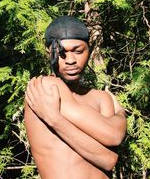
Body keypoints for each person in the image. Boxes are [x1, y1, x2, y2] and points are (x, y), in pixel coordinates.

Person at [24, 16, 126, 179]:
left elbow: (109, 159)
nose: (70, 60)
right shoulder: (46, 87)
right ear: (48, 53)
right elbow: (113, 135)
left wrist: (54, 119)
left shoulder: (100, 98)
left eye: (78, 51)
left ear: (89, 50)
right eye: (62, 53)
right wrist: (119, 114)